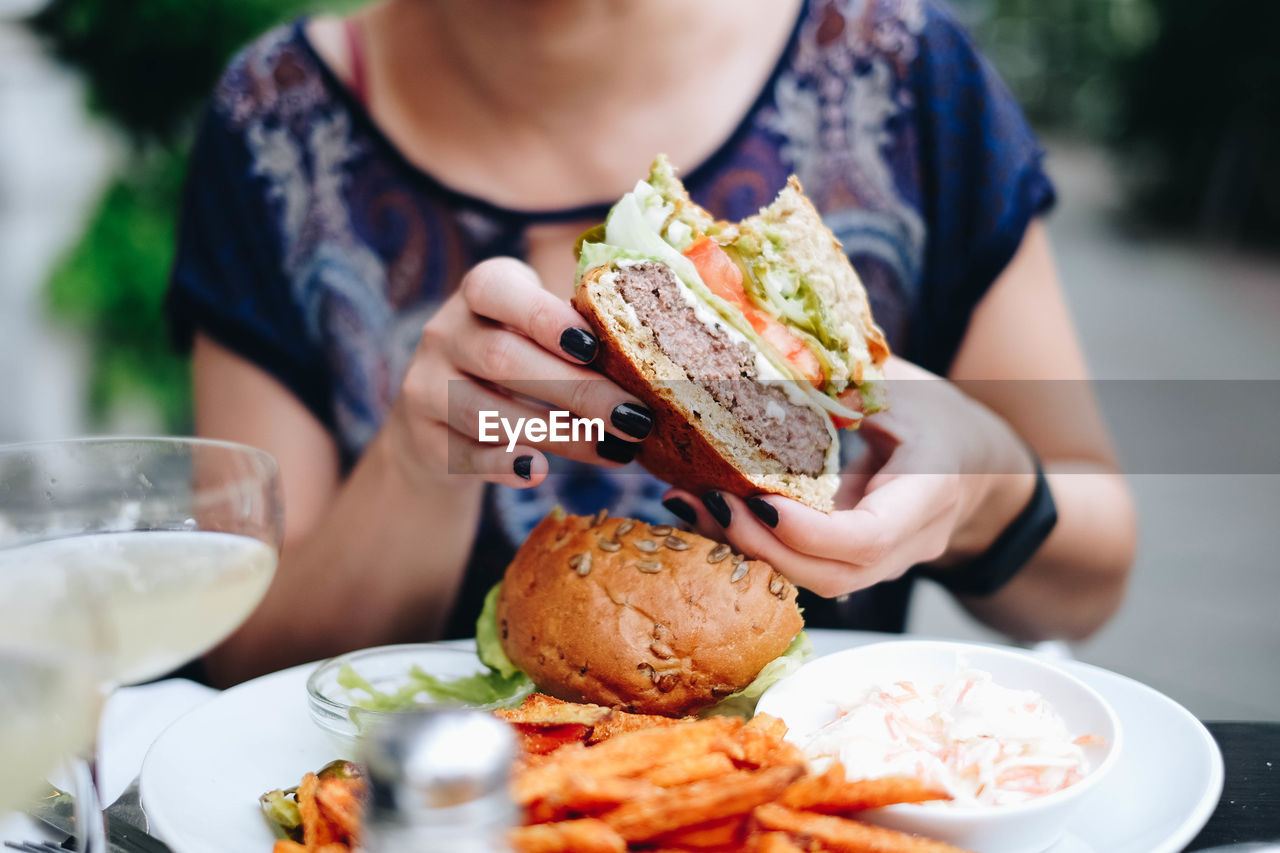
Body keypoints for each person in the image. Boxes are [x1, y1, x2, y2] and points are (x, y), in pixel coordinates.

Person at [168, 0, 1136, 687]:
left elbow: (1089, 579)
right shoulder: (271, 126)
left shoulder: (904, 79)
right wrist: (420, 466)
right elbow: (250, 666)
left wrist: (979, 486)